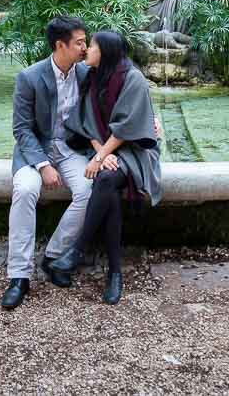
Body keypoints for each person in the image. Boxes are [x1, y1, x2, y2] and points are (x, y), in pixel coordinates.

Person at [49, 30, 163, 305]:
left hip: (135, 150)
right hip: (106, 148)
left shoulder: (133, 79)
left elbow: (126, 128)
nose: (87, 50)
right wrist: (101, 152)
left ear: (107, 52)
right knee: (107, 182)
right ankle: (114, 273)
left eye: (93, 46)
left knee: (105, 178)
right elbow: (83, 122)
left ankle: (78, 250)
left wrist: (101, 157)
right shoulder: (92, 77)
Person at [1, 16, 92, 310]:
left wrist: (148, 120)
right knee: (26, 190)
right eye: (79, 42)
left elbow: (116, 96)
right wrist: (42, 165)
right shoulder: (30, 77)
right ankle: (19, 276)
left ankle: (53, 257)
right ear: (60, 45)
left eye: (85, 42)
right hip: (35, 151)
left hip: (69, 149)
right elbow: (22, 129)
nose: (85, 47)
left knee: (89, 190)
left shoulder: (84, 74)